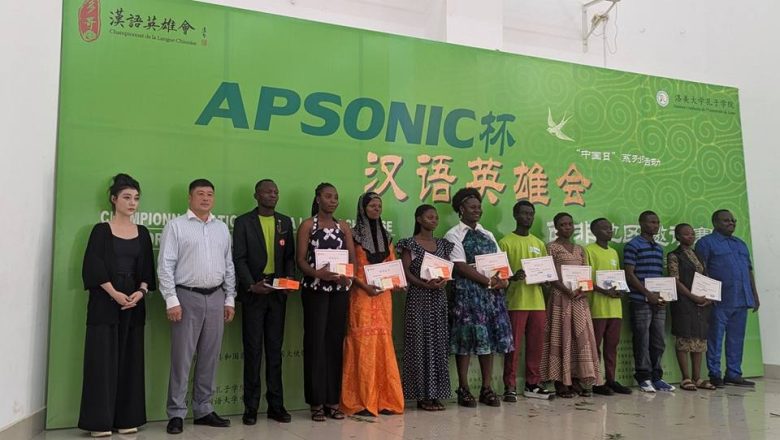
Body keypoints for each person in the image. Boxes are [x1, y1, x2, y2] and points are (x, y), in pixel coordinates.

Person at [79, 174, 155, 437]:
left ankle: (127, 418)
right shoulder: (101, 231)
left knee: (131, 361)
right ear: (113, 199)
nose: (132, 203)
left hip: (134, 304)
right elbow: (93, 267)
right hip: (105, 303)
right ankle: (98, 422)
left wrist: (140, 292)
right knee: (102, 362)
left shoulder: (143, 233)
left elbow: (147, 271)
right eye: (126, 198)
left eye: (136, 198)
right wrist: (114, 293)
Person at [158, 179, 237, 435]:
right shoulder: (176, 227)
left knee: (209, 357)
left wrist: (229, 299)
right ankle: (177, 412)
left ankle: (203, 409)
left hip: (215, 297)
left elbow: (229, 266)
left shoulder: (221, 229)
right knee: (182, 358)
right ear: (190, 198)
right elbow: (165, 265)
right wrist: (171, 299)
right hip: (186, 297)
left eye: (210, 194)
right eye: (200, 194)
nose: (205, 198)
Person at [233, 179, 295, 424]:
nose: (273, 195)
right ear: (256, 195)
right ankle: (251, 407)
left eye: (276, 192)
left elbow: (289, 256)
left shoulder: (285, 221)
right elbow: (239, 258)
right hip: (254, 293)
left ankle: (276, 406)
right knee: (253, 351)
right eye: (268, 191)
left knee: (274, 351)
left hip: (277, 294)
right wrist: (251, 285)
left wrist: (289, 279)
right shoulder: (243, 222)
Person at [443, 188, 513, 408]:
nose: (477, 211)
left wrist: (504, 280)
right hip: (467, 294)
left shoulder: (487, 233)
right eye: (472, 207)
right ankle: (463, 388)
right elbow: (460, 266)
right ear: (461, 210)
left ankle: (486, 388)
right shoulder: (454, 234)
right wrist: (489, 282)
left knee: (488, 340)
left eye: (479, 207)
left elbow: (500, 263)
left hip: (491, 297)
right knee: (465, 340)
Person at [341, 192, 405, 416]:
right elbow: (349, 267)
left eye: (379, 206)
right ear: (362, 208)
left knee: (382, 345)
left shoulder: (386, 236)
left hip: (383, 297)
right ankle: (361, 401)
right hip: (361, 296)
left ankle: (385, 400)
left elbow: (391, 265)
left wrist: (397, 282)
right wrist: (363, 285)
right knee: (362, 345)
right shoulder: (353, 234)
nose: (376, 209)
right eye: (372, 205)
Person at [296, 182, 356, 421]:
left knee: (334, 343)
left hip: (339, 291)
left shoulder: (344, 226)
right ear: (318, 199)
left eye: (336, 197)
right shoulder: (308, 226)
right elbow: (300, 260)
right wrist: (317, 273)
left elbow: (351, 258)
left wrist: (347, 276)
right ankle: (316, 402)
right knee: (315, 344)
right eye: (328, 196)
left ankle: (333, 400)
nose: (333, 200)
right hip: (315, 290)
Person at [397, 205, 453, 411]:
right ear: (419, 219)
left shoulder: (443, 245)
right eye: (430, 217)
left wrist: (443, 281)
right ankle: (421, 396)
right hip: (418, 298)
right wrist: (422, 284)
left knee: (438, 344)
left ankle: (436, 394)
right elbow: (405, 272)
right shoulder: (409, 244)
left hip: (438, 298)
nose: (434, 220)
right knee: (419, 345)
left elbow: (447, 270)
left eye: (436, 217)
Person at [696, 209, 760, 388]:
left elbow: (748, 270)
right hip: (719, 299)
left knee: (736, 338)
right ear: (715, 223)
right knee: (715, 337)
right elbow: (701, 270)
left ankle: (733, 373)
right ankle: (715, 374)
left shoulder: (741, 244)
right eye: (726, 220)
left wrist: (754, 295)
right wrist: (707, 294)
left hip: (741, 298)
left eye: (733, 220)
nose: (731, 223)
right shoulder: (705, 243)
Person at [540, 212, 601, 398]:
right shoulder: (551, 247)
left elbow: (585, 274)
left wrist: (583, 288)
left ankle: (575, 379)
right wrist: (566, 290)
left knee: (579, 338)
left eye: (570, 224)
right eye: (563, 224)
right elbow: (548, 274)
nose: (567, 227)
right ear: (556, 228)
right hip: (561, 297)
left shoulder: (580, 249)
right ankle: (560, 382)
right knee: (561, 336)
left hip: (579, 299)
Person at [498, 201, 553, 401]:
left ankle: (533, 384)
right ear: (515, 215)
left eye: (531, 214)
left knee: (536, 346)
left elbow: (546, 275)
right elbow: (500, 274)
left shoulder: (539, 243)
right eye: (523, 213)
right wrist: (513, 277)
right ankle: (509, 385)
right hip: (515, 302)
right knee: (513, 347)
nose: (528, 217)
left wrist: (546, 279)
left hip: (537, 302)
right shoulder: (505, 242)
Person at [624, 210, 674, 393]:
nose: (655, 225)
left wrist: (662, 296)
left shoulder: (659, 248)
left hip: (658, 302)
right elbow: (630, 275)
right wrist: (647, 293)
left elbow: (659, 277)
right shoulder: (633, 245)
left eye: (657, 222)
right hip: (640, 301)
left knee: (658, 341)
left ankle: (657, 377)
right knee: (642, 340)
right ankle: (643, 377)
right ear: (641, 223)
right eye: (651, 222)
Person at [585, 218, 632, 396]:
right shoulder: (588, 250)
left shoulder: (613, 252)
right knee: (595, 345)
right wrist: (604, 291)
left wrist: (620, 289)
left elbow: (617, 278)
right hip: (598, 307)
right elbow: (586, 279)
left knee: (612, 345)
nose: (609, 231)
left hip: (615, 308)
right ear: (594, 231)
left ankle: (611, 379)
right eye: (604, 228)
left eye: (610, 228)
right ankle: (596, 381)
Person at [668, 223, 715, 391]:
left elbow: (705, 277)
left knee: (699, 340)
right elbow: (675, 280)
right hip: (683, 302)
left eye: (692, 233)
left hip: (701, 304)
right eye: (686, 234)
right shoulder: (674, 255)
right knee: (684, 339)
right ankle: (685, 378)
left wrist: (709, 296)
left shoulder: (699, 255)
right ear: (678, 237)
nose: (690, 236)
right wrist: (692, 296)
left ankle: (697, 378)